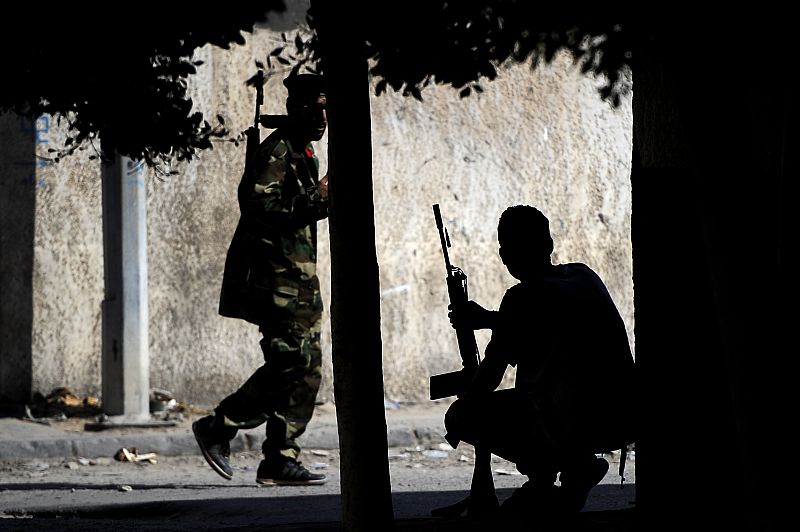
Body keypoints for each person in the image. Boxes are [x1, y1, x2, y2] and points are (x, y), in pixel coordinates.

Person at [442, 204, 636, 518]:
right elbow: (551, 319)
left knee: (463, 415)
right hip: (619, 418)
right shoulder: (583, 275)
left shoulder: (520, 301)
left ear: (505, 257)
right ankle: (567, 472)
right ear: (549, 246)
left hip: (573, 424)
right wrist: (493, 320)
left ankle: (549, 475)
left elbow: (489, 379)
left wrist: (468, 400)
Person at [193, 73, 330, 486]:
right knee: (290, 359)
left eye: (328, 107)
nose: (323, 116)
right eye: (315, 106)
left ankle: (280, 458)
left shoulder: (304, 151)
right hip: (276, 282)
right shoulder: (278, 150)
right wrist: (318, 198)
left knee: (307, 369)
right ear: (296, 108)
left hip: (300, 281)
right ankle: (221, 425)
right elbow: (258, 206)